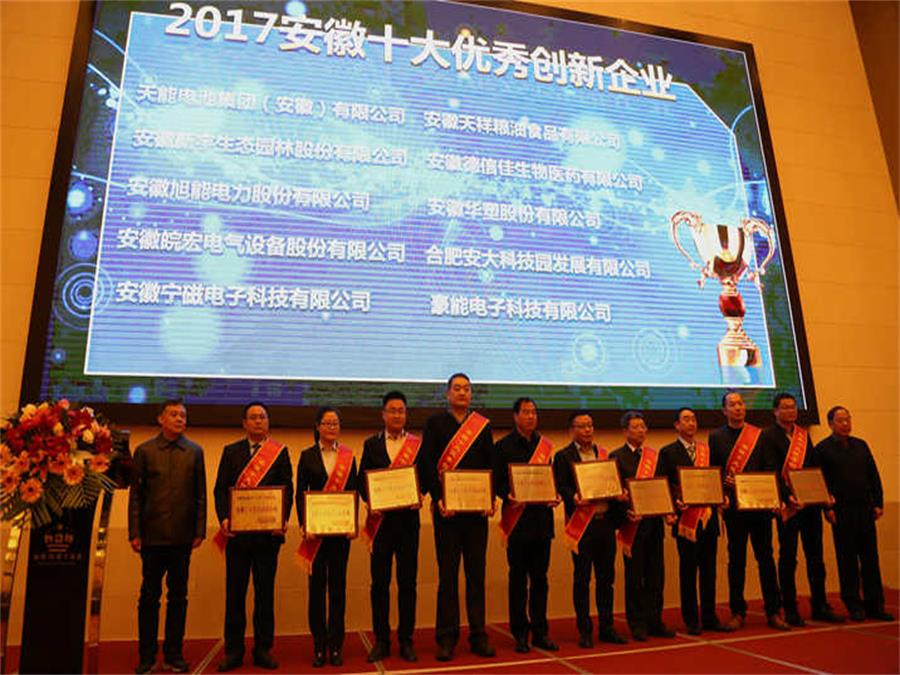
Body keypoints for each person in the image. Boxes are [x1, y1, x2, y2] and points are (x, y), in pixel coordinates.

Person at [420, 373, 496, 661]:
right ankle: (446, 637)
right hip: (447, 514)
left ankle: (478, 635)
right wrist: (438, 497)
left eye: (466, 389)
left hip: (476, 515)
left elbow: (490, 464)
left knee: (477, 576)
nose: (462, 393)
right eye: (457, 388)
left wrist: (490, 499)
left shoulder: (482, 426)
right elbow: (427, 464)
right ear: (448, 393)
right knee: (448, 577)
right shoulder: (435, 423)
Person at [213, 402, 294, 671]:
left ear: (268, 422)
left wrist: (282, 519)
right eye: (253, 417)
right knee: (234, 595)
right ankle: (233, 651)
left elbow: (287, 489)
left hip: (268, 538)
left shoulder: (279, 452)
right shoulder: (231, 451)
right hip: (237, 537)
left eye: (263, 417)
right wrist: (224, 519)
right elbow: (220, 490)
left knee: (264, 596)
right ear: (244, 423)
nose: (258, 421)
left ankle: (263, 649)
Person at [128, 399, 206, 674]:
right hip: (152, 538)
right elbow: (135, 497)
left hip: (182, 538)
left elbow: (200, 495)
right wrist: (134, 532)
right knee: (149, 598)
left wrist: (199, 530)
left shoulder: (195, 452)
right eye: (173, 414)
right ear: (161, 419)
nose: (179, 419)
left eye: (183, 415)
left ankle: (174, 654)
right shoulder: (145, 451)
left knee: (178, 598)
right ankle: (147, 656)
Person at [759, 393, 842, 626]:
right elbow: (771, 470)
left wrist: (823, 497)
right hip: (789, 507)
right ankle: (790, 608)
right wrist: (788, 496)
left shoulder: (803, 436)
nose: (791, 411)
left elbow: (814, 469)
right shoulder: (768, 436)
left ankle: (820, 604)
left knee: (816, 557)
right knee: (788, 558)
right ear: (775, 411)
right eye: (785, 407)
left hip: (811, 506)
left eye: (793, 407)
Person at [709, 392, 789, 631]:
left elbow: (770, 468)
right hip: (734, 510)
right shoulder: (716, 437)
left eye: (741, 404)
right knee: (736, 561)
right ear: (724, 410)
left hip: (759, 508)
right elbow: (714, 471)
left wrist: (761, 489)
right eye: (732, 405)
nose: (738, 408)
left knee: (766, 559)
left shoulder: (760, 435)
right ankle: (737, 611)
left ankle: (773, 611)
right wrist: (724, 484)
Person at [553, 411, 628, 648]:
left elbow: (614, 483)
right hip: (582, 525)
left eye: (590, 425)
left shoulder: (605, 455)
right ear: (571, 430)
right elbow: (561, 485)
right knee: (582, 579)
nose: (587, 430)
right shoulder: (563, 456)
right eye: (582, 426)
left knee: (606, 579)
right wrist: (573, 497)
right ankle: (584, 630)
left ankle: (607, 627)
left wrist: (621, 494)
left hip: (605, 523)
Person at [358, 391, 423, 663]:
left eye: (401, 411)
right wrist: (371, 500)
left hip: (408, 524)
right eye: (392, 410)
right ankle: (381, 640)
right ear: (383, 415)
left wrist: (420, 494)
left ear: (406, 415)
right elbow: (362, 481)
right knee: (380, 584)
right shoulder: (371, 444)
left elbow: (425, 478)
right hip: (381, 525)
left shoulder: (417, 445)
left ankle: (406, 639)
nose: (397, 415)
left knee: (408, 583)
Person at [815, 406, 894, 623]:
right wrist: (827, 508)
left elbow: (873, 475)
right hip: (841, 512)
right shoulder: (822, 449)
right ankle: (853, 604)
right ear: (830, 423)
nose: (845, 424)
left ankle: (875, 604)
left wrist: (878, 503)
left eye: (847, 419)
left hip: (865, 510)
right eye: (840, 420)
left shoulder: (861, 445)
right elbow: (819, 482)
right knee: (847, 560)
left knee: (870, 559)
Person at [494, 398, 559, 653]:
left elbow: (549, 480)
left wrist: (554, 495)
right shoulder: (503, 447)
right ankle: (520, 633)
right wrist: (508, 494)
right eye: (526, 412)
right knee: (518, 580)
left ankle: (540, 632)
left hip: (542, 523)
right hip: (517, 523)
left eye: (534, 412)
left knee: (541, 580)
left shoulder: (544, 446)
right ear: (515, 416)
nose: (531, 416)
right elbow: (497, 483)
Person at [660, 407, 733, 635]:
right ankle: (691, 619)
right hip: (686, 521)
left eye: (693, 419)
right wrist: (674, 505)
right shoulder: (668, 452)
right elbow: (664, 485)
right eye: (685, 419)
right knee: (688, 571)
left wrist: (723, 497)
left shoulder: (707, 451)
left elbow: (717, 478)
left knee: (709, 571)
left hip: (709, 520)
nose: (691, 423)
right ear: (676, 425)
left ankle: (710, 616)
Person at [296, 407, 359, 668]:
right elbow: (301, 493)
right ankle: (319, 646)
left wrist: (353, 523)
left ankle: (336, 646)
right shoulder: (307, 456)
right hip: (316, 535)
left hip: (340, 535)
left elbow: (354, 492)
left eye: (335, 423)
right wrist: (304, 524)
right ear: (318, 426)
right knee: (316, 590)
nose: (332, 427)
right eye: (327, 423)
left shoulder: (348, 457)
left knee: (338, 590)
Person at [611, 411, 676, 642]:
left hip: (654, 524)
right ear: (625, 431)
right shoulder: (616, 457)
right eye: (636, 427)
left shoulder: (655, 457)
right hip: (632, 526)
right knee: (634, 577)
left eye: (643, 426)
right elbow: (613, 492)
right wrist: (624, 510)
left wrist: (669, 511)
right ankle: (637, 623)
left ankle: (655, 620)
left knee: (656, 576)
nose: (641, 430)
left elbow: (664, 488)